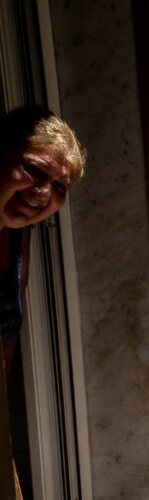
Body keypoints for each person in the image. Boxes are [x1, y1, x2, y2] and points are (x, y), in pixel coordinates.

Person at [0, 105, 85, 372]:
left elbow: (7, 337)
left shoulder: (18, 234)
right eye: (34, 170)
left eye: (60, 186)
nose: (43, 193)